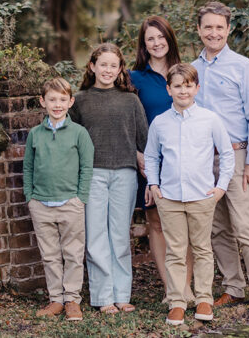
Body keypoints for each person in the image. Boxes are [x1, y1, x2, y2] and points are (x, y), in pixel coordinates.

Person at [192, 2, 249, 319]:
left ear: (229, 29)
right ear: (199, 30)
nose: (214, 32)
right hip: (203, 159)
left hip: (237, 155)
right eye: (208, 27)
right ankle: (233, 287)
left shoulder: (243, 67)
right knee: (217, 228)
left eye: (219, 27)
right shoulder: (192, 70)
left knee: (244, 227)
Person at [144, 62, 234, 326]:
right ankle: (177, 301)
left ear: (197, 88)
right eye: (177, 86)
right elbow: (151, 156)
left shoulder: (210, 119)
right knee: (175, 251)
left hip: (202, 196)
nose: (183, 91)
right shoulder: (160, 123)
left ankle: (204, 298)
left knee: (203, 249)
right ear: (168, 89)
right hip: (169, 197)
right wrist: (154, 184)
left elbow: (227, 154)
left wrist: (221, 188)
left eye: (188, 85)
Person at [71, 43, 149, 314]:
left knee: (119, 235)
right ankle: (103, 297)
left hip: (125, 173)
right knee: (96, 236)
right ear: (92, 66)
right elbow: (72, 140)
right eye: (102, 64)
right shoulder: (79, 100)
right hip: (92, 174)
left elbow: (144, 140)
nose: (107, 70)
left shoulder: (131, 100)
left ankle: (121, 294)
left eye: (113, 66)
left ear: (119, 70)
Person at [129, 15, 193, 302]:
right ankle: (171, 289)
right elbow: (124, 121)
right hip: (150, 163)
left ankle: (187, 288)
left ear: (170, 38)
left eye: (161, 36)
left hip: (185, 160)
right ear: (144, 45)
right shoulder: (134, 79)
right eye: (150, 39)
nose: (157, 43)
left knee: (186, 226)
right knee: (156, 224)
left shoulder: (184, 73)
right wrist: (137, 154)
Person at [23, 77, 94, 322]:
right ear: (43, 102)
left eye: (62, 99)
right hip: (41, 204)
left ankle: (72, 299)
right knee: (50, 254)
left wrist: (80, 198)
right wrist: (30, 197)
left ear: (70, 101)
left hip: (70, 204)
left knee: (73, 253)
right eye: (52, 99)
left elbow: (87, 167)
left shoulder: (79, 133)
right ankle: (56, 299)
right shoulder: (35, 134)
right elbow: (28, 168)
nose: (57, 104)